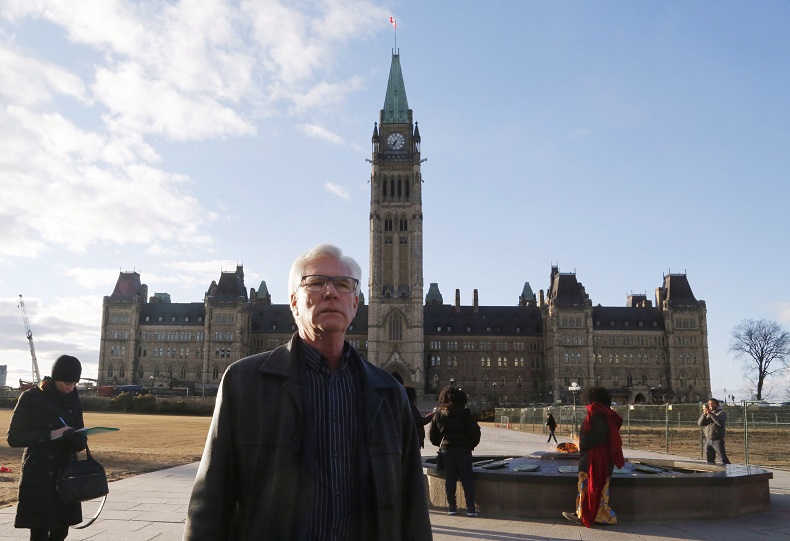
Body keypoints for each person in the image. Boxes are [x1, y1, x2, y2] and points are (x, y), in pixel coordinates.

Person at [184, 243, 432, 540]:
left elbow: (413, 507)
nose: (330, 293)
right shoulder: (243, 382)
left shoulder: (390, 393)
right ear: (294, 302)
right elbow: (211, 502)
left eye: (343, 285)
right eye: (315, 283)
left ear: (355, 304)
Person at [7, 355, 88, 541]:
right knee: (39, 531)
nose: (71, 388)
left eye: (75, 383)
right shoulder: (31, 398)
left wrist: (78, 440)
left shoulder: (74, 399)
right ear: (56, 378)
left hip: (66, 473)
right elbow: (14, 437)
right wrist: (52, 434)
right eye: (67, 383)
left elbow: (81, 435)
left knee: (61, 531)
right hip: (39, 474)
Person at [562, 386, 624, 528]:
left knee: (588, 488)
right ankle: (587, 515)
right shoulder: (604, 413)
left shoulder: (598, 413)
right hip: (600, 460)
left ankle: (592, 516)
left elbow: (597, 435)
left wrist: (582, 443)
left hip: (594, 460)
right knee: (595, 490)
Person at [429, 385, 481, 517]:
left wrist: (441, 444)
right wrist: (470, 445)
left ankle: (452, 507)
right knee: (467, 478)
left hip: (447, 450)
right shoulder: (466, 414)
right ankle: (470, 509)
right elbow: (475, 433)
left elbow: (432, 435)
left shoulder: (440, 414)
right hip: (464, 449)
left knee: (450, 478)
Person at [698, 397, 731, 465]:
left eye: (712, 404)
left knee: (723, 458)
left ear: (717, 404)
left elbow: (720, 422)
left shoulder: (721, 413)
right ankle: (712, 470)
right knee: (709, 459)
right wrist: (704, 414)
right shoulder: (707, 414)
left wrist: (711, 414)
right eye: (709, 404)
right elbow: (700, 423)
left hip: (717, 440)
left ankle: (728, 469)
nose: (710, 405)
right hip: (708, 440)